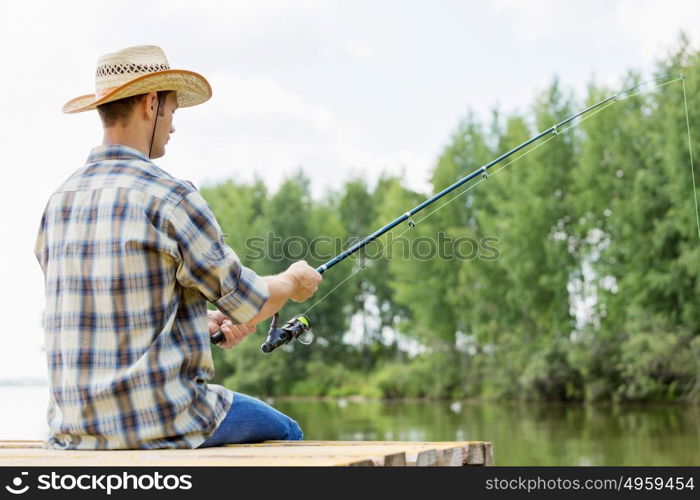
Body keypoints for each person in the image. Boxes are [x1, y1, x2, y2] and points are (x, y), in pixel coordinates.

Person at [33, 45, 322, 450]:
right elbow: (250, 302)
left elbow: (105, 307)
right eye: (172, 111)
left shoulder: (59, 202)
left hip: (72, 430)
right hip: (165, 420)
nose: (172, 126)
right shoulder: (170, 197)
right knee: (290, 434)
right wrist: (293, 281)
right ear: (151, 105)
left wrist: (194, 323)